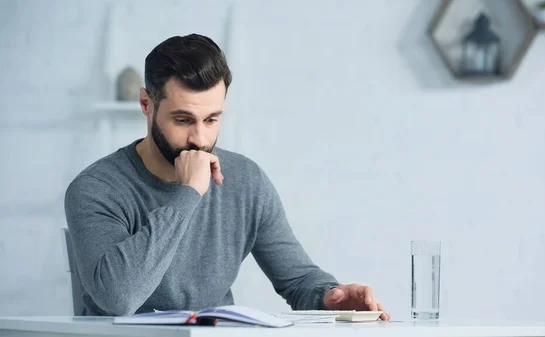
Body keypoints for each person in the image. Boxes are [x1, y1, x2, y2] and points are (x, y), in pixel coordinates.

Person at [64, 33, 390, 320]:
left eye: (211, 119)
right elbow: (119, 298)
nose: (200, 139)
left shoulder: (246, 181)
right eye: (182, 120)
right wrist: (188, 192)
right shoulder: (96, 188)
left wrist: (330, 297)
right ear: (146, 104)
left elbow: (297, 280)